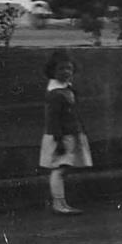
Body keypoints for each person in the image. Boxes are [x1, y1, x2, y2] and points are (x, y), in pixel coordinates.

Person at [40, 54, 93, 215]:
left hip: (71, 134)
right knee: (60, 168)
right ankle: (58, 203)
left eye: (69, 68)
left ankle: (61, 202)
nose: (66, 72)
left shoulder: (66, 89)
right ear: (52, 72)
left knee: (65, 169)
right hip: (60, 136)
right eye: (61, 69)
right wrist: (59, 140)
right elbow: (53, 119)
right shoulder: (55, 93)